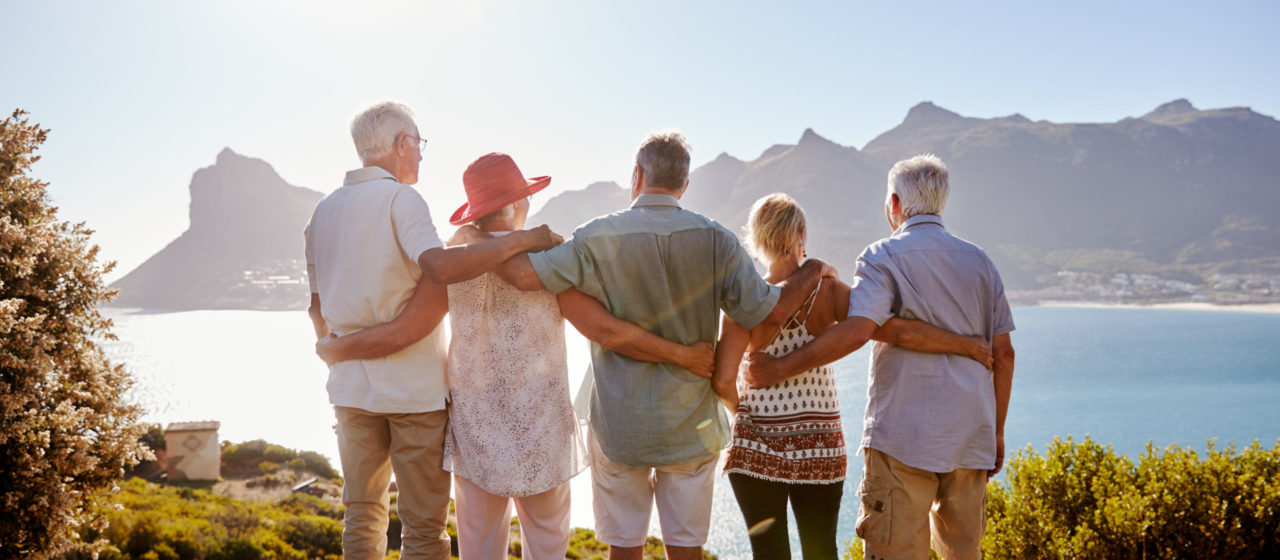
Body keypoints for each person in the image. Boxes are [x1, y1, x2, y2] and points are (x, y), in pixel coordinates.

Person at [316, 152, 715, 560]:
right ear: (520, 203)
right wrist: (681, 353)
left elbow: (411, 326)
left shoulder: (455, 256)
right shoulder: (549, 259)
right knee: (546, 549)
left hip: (476, 438)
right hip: (542, 437)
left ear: (476, 212)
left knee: (479, 552)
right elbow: (604, 329)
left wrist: (338, 347)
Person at [480, 130, 835, 560]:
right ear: (684, 184)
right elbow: (771, 311)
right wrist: (813, 267)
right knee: (685, 550)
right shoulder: (719, 241)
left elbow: (521, 276)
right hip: (691, 424)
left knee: (623, 549)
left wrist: (497, 237)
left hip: (618, 425)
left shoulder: (595, 237)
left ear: (636, 175)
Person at [303, 101, 562, 560]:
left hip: (349, 392)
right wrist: (525, 239)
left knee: (361, 516)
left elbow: (316, 307)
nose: (421, 154)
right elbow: (438, 268)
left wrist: (338, 349)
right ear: (402, 143)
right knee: (423, 529)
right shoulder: (402, 200)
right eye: (418, 143)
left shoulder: (321, 213)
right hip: (413, 395)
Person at [746, 155, 1016, 560]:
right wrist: (995, 432)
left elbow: (860, 328)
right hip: (970, 435)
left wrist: (780, 368)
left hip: (900, 439)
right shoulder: (980, 262)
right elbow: (1005, 354)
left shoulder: (882, 256)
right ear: (941, 201)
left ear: (894, 203)